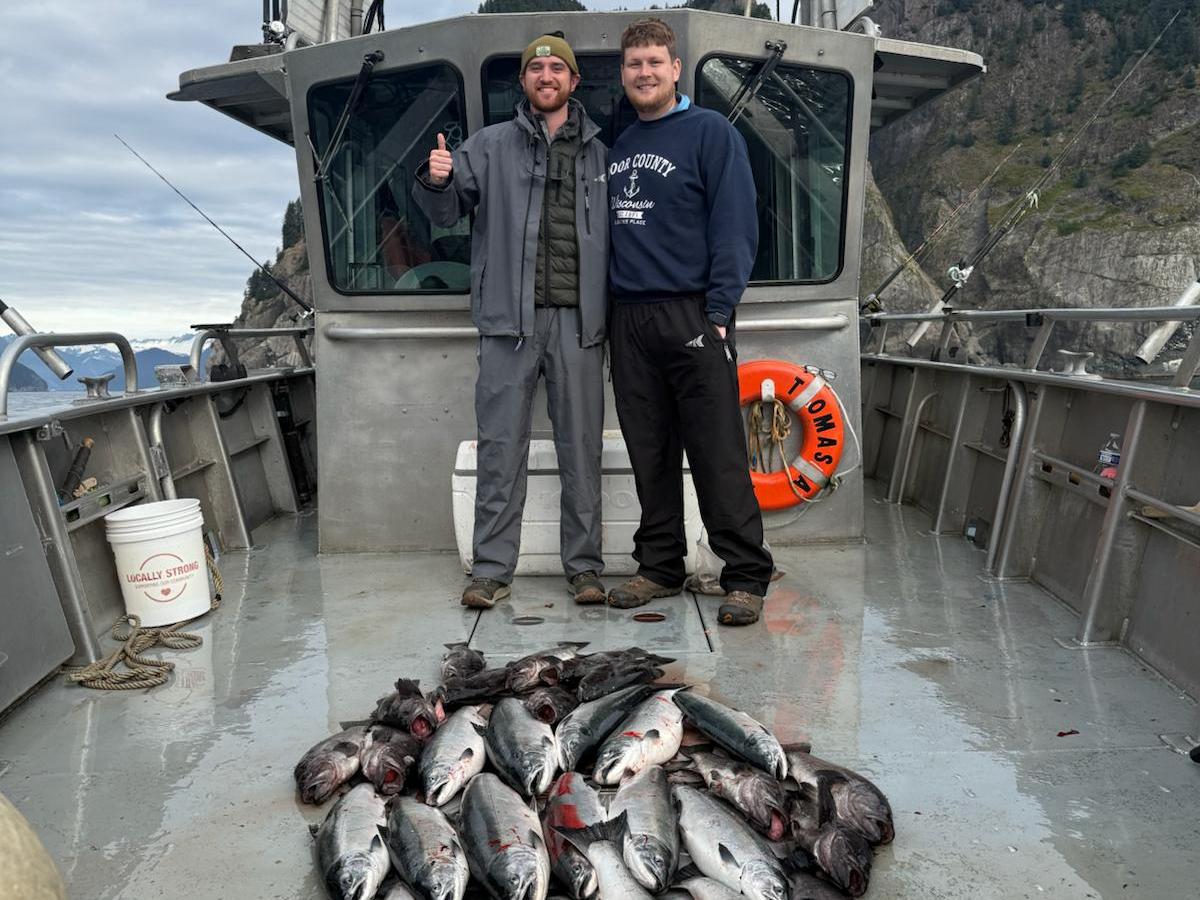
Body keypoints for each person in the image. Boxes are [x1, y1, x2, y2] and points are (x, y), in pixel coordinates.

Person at [413, 34, 609, 609]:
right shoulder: (488, 146)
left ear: (574, 82)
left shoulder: (602, 154)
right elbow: (445, 213)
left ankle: (586, 569)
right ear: (523, 82)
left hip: (579, 326)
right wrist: (438, 178)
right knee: (501, 450)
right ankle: (493, 570)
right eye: (535, 68)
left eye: (557, 67)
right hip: (507, 326)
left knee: (582, 451)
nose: (546, 75)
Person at [604, 17, 774, 626]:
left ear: (676, 69)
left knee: (717, 452)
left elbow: (735, 228)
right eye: (633, 65)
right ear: (622, 75)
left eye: (654, 62)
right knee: (648, 451)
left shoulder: (710, 134)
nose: (644, 73)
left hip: (693, 313)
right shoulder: (615, 141)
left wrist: (721, 312)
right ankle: (659, 566)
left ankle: (747, 575)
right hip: (629, 318)